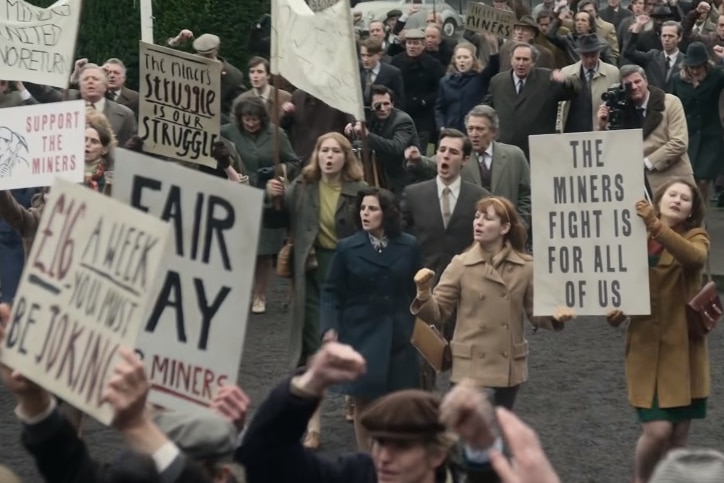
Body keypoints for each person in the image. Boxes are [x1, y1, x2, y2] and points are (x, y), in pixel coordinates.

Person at [235, 342, 508, 483]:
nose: (383, 458)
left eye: (401, 446)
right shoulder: (355, 476)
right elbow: (262, 459)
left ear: (437, 454)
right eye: (379, 442)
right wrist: (307, 387)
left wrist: (482, 445)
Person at [412, 196, 574, 409]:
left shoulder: (526, 267)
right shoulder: (460, 264)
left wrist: (554, 315)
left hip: (507, 368)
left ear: (505, 227)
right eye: (477, 217)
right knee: (460, 434)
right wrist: (424, 293)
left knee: (496, 435)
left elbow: (535, 313)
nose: (478, 222)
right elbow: (438, 313)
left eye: (487, 218)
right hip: (469, 367)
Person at [266, 132, 366, 449]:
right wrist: (274, 194)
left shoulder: (359, 191)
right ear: (317, 154)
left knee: (350, 338)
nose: (329, 156)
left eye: (336, 151)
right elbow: (277, 220)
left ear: (345, 157)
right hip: (310, 270)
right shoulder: (303, 185)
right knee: (313, 346)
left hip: (348, 273)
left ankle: (353, 393)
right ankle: (313, 426)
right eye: (324, 150)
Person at [605, 178, 710, 483]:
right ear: (658, 199)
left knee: (677, 442)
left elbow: (694, 258)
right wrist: (615, 310)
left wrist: (654, 225)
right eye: (672, 195)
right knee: (657, 431)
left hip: (684, 350)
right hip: (646, 348)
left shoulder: (697, 236)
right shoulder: (632, 239)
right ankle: (640, 479)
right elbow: (623, 287)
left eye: (685, 198)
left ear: (692, 209)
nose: (677, 200)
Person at [320, 187, 421, 451]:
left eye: (372, 208)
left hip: (400, 336)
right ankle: (368, 464)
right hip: (360, 335)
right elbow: (331, 291)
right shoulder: (346, 248)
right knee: (363, 402)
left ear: (386, 213)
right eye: (363, 208)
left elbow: (417, 290)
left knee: (399, 404)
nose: (365, 213)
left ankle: (392, 460)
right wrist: (329, 327)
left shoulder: (409, 246)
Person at [221, 96, 300, 314]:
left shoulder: (277, 135)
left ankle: (260, 295)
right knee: (238, 249)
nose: (251, 123)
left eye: (255, 119)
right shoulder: (228, 132)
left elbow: (293, 162)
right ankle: (238, 293)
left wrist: (278, 174)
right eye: (246, 119)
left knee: (263, 253)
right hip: (238, 198)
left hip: (268, 201)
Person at [597, 64, 694, 197]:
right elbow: (611, 151)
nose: (635, 87)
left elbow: (679, 142)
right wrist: (602, 126)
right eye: (629, 84)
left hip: (674, 180)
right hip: (639, 188)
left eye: (637, 81)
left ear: (646, 81)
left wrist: (647, 162)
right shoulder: (622, 112)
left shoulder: (670, 103)